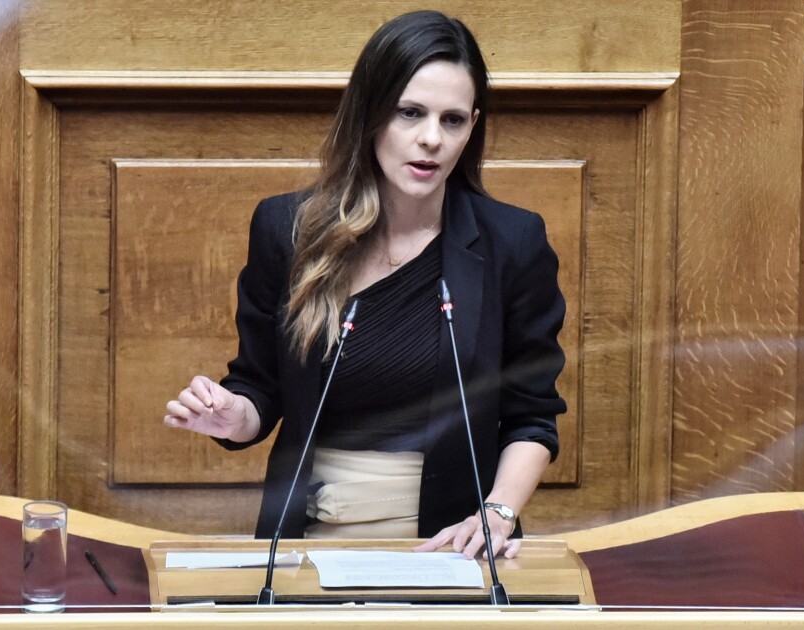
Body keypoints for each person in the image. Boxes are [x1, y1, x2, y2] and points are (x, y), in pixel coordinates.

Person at [163, 10, 565, 560]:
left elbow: (532, 416)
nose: (431, 139)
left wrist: (497, 513)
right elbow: (260, 387)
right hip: (310, 546)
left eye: (452, 120)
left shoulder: (511, 243)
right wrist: (234, 416)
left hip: (451, 547)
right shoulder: (285, 229)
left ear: (472, 126)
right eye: (410, 113)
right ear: (371, 113)